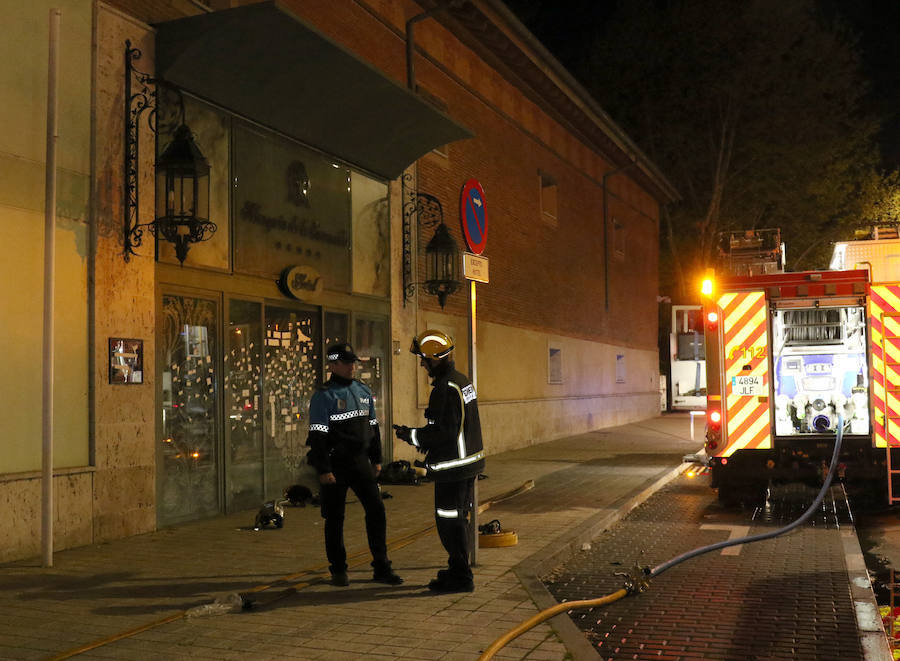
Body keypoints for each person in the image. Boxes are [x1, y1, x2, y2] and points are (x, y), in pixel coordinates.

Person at [395, 330, 485, 593]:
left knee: (449, 522)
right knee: (459, 519)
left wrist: (410, 435)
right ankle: (457, 569)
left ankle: (461, 577)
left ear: (435, 359)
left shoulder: (444, 389)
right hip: (467, 465)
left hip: (453, 470)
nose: (422, 364)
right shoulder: (461, 381)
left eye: (424, 359)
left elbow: (442, 432)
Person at [306, 342, 403, 587]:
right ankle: (338, 571)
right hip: (335, 466)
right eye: (347, 363)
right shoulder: (323, 396)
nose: (352, 367)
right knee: (335, 518)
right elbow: (317, 436)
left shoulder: (362, 391)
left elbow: (373, 428)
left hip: (360, 463)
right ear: (333, 365)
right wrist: (324, 469)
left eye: (353, 362)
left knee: (376, 511)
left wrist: (377, 459)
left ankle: (381, 566)